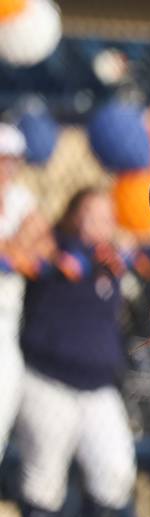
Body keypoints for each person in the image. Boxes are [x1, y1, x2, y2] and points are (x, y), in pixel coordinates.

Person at [15, 187, 136, 517]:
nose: (97, 224)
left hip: (98, 387)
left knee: (115, 474)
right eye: (89, 214)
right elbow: (27, 251)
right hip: (47, 380)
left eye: (104, 217)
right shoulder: (53, 248)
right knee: (44, 483)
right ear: (72, 214)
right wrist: (50, 250)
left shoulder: (113, 261)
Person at [0, 123, 53, 465]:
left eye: (14, 160)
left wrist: (15, 250)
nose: (9, 167)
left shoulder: (20, 198)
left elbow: (44, 249)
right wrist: (19, 249)